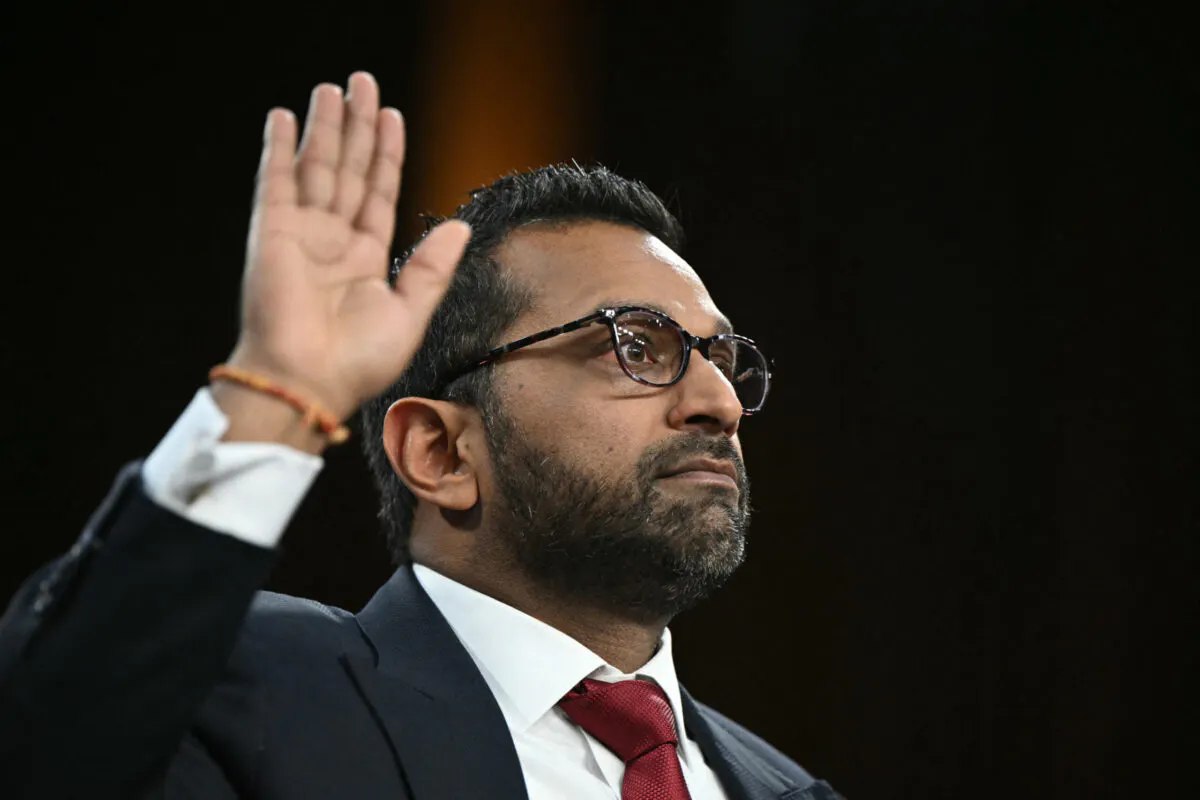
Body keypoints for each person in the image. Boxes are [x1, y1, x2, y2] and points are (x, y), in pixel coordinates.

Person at [0, 72, 841, 800]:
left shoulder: (788, 789)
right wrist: (276, 393)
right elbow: (52, 741)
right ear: (440, 452)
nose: (720, 403)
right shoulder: (237, 689)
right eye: (635, 347)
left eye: (722, 360)